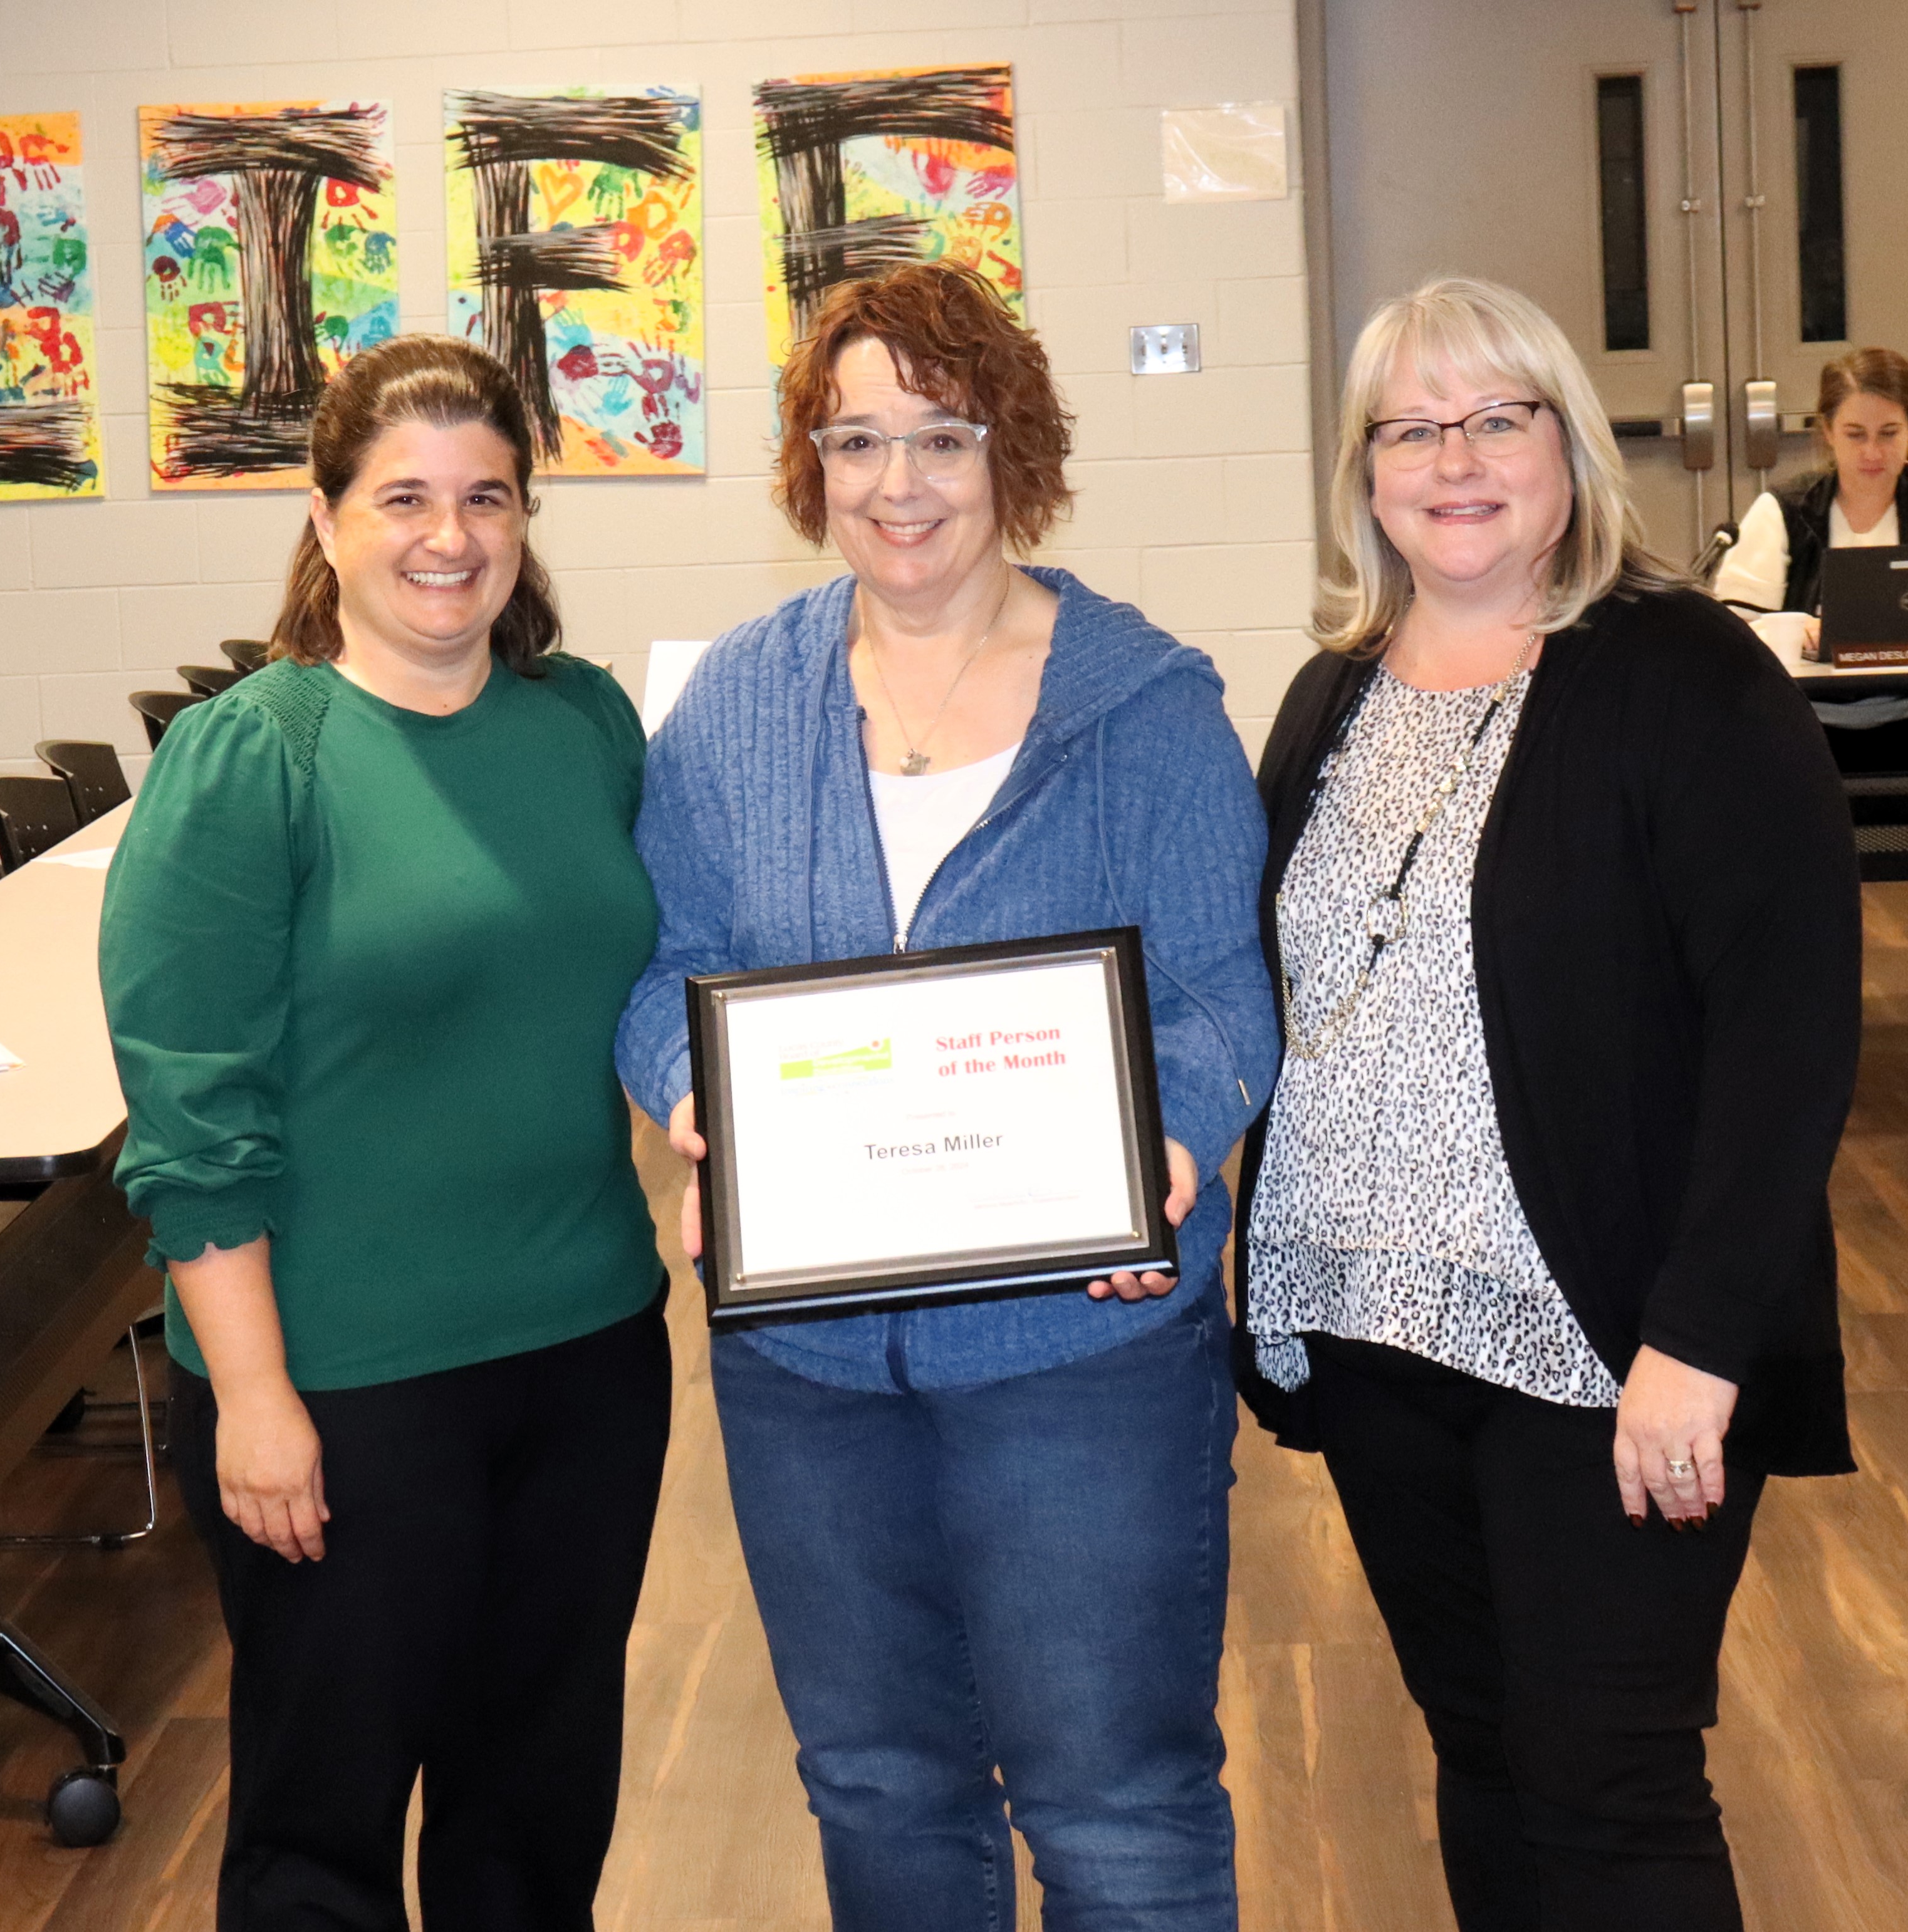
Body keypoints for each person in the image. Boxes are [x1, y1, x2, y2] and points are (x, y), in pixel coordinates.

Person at [618, 262, 1276, 1932]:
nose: (897, 484)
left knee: (1113, 1793)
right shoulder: (735, 709)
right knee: (878, 1782)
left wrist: (1174, 1145)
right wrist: (699, 1101)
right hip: (812, 1366)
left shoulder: (1146, 705)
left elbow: (1217, 992)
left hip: (1084, 1343)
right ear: (809, 462)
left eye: (941, 435)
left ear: (1014, 451)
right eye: (856, 440)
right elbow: (664, 965)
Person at [1233, 276, 1862, 1932]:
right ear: (1366, 469)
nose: (1456, 460)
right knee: (1487, 1748)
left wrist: (1704, 1338)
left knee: (1611, 1780)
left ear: (1568, 445)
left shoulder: (1690, 678)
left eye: (1497, 417)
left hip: (1604, 1338)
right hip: (1377, 1329)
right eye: (1413, 426)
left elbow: (1789, 1035)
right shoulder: (1334, 693)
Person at [100, 335, 670, 1931]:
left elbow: (671, 991)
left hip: (588, 1351)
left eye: (486, 495)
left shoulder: (585, 728)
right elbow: (190, 1112)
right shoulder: (252, 758)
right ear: (325, 514)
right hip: (343, 1384)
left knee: (537, 1802)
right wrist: (256, 1397)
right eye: (403, 495)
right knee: (323, 1829)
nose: (449, 535)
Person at [1713, 346, 1908, 1039]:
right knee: (1761, 776)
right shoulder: (1782, 510)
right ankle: (1781, 972)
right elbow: (1733, 619)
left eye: (1887, 434)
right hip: (1807, 717)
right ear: (1824, 434)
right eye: (1854, 435)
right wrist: (1798, 629)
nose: (1872, 453)